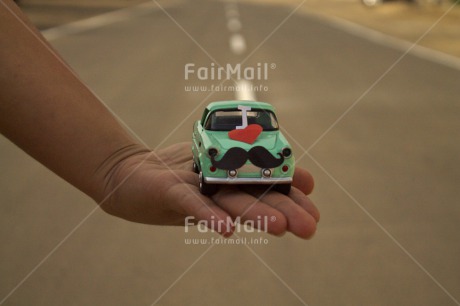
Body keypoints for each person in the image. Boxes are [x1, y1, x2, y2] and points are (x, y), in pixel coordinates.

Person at [0, 0, 319, 239]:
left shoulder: (270, 131)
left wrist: (114, 166)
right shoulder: (207, 130)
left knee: (281, 156)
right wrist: (113, 167)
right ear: (202, 128)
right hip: (219, 163)